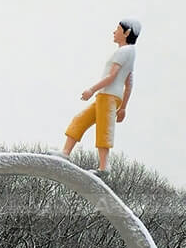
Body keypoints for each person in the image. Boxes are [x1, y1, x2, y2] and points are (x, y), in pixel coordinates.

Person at [52, 18, 141, 175]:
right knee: (80, 119)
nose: (114, 32)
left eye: (118, 29)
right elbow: (130, 82)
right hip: (107, 96)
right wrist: (124, 107)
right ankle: (65, 152)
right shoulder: (130, 53)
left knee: (103, 129)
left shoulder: (123, 52)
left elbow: (112, 76)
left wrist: (91, 90)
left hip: (108, 96)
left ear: (127, 33)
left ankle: (104, 167)